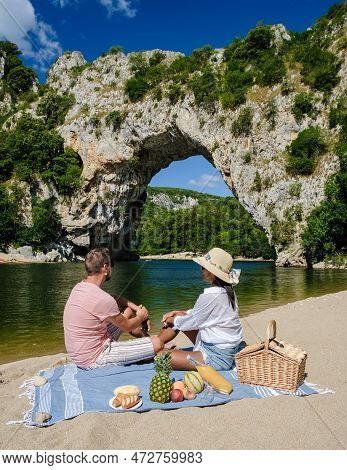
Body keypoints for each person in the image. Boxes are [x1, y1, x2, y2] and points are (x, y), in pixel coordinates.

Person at [63, 248, 163, 369]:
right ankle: (147, 346)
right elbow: (127, 326)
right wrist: (142, 316)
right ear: (105, 268)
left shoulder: (80, 286)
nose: (111, 269)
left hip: (78, 354)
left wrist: (136, 308)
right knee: (157, 343)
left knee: (128, 310)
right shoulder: (102, 299)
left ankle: (145, 342)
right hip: (94, 358)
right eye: (111, 265)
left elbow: (115, 298)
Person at [158, 247, 245, 371]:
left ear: (212, 272)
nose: (201, 270)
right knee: (180, 320)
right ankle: (156, 344)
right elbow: (201, 315)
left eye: (203, 267)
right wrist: (178, 313)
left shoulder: (211, 295)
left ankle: (155, 346)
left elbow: (189, 322)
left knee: (161, 357)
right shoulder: (227, 291)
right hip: (229, 350)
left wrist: (172, 319)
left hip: (218, 356)